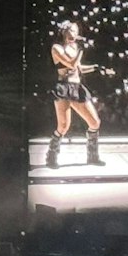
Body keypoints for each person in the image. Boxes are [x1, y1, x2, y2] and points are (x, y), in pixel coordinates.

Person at [46, 20, 103, 168]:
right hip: (64, 88)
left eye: (77, 31)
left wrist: (96, 68)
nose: (76, 34)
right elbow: (70, 64)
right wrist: (81, 50)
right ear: (64, 31)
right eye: (72, 30)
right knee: (63, 126)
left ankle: (92, 155)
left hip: (77, 87)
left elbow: (78, 68)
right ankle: (51, 155)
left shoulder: (75, 47)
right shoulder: (57, 48)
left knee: (94, 122)